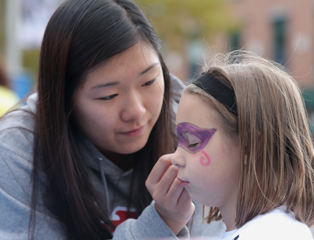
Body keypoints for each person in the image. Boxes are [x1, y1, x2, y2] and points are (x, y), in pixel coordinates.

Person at [0, 0, 225, 239]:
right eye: (108, 96)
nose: (136, 111)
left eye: (148, 81)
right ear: (63, 99)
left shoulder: (194, 131)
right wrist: (162, 222)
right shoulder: (17, 153)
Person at [169, 50, 314, 240]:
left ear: (249, 147)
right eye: (178, 142)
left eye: (193, 142)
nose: (175, 158)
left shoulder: (275, 233)